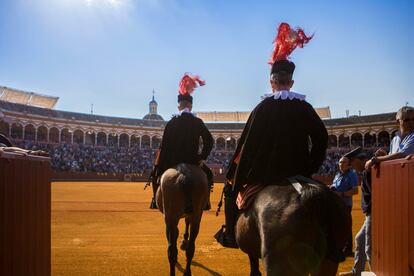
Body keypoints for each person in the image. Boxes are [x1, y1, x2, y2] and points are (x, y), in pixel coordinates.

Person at [215, 22, 328, 248]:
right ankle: (334, 245)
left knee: (230, 192)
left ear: (271, 82)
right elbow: (322, 138)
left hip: (264, 176)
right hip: (298, 174)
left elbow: (247, 144)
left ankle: (231, 236)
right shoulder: (304, 107)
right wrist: (309, 166)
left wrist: (234, 175)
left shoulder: (263, 108)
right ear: (292, 82)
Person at [155, 73, 214, 213]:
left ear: (178, 106)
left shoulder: (171, 123)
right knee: (209, 176)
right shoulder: (197, 122)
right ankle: (205, 202)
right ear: (191, 106)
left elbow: (163, 146)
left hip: (171, 162)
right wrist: (202, 157)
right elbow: (209, 140)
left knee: (156, 177)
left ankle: (155, 200)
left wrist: (160, 165)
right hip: (192, 161)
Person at [339, 147, 371, 276]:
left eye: (352, 163)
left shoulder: (368, 171)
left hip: (373, 213)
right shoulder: (365, 172)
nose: (352, 166)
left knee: (369, 247)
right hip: (369, 213)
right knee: (360, 239)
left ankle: (375, 271)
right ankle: (357, 272)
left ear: (360, 160)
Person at [330, 156, 359, 257]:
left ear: (348, 164)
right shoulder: (338, 174)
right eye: (340, 163)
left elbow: (355, 191)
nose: (341, 164)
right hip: (336, 204)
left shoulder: (352, 174)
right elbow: (334, 185)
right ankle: (340, 247)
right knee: (337, 226)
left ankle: (348, 249)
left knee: (345, 226)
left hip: (345, 204)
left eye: (343, 163)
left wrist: (341, 194)